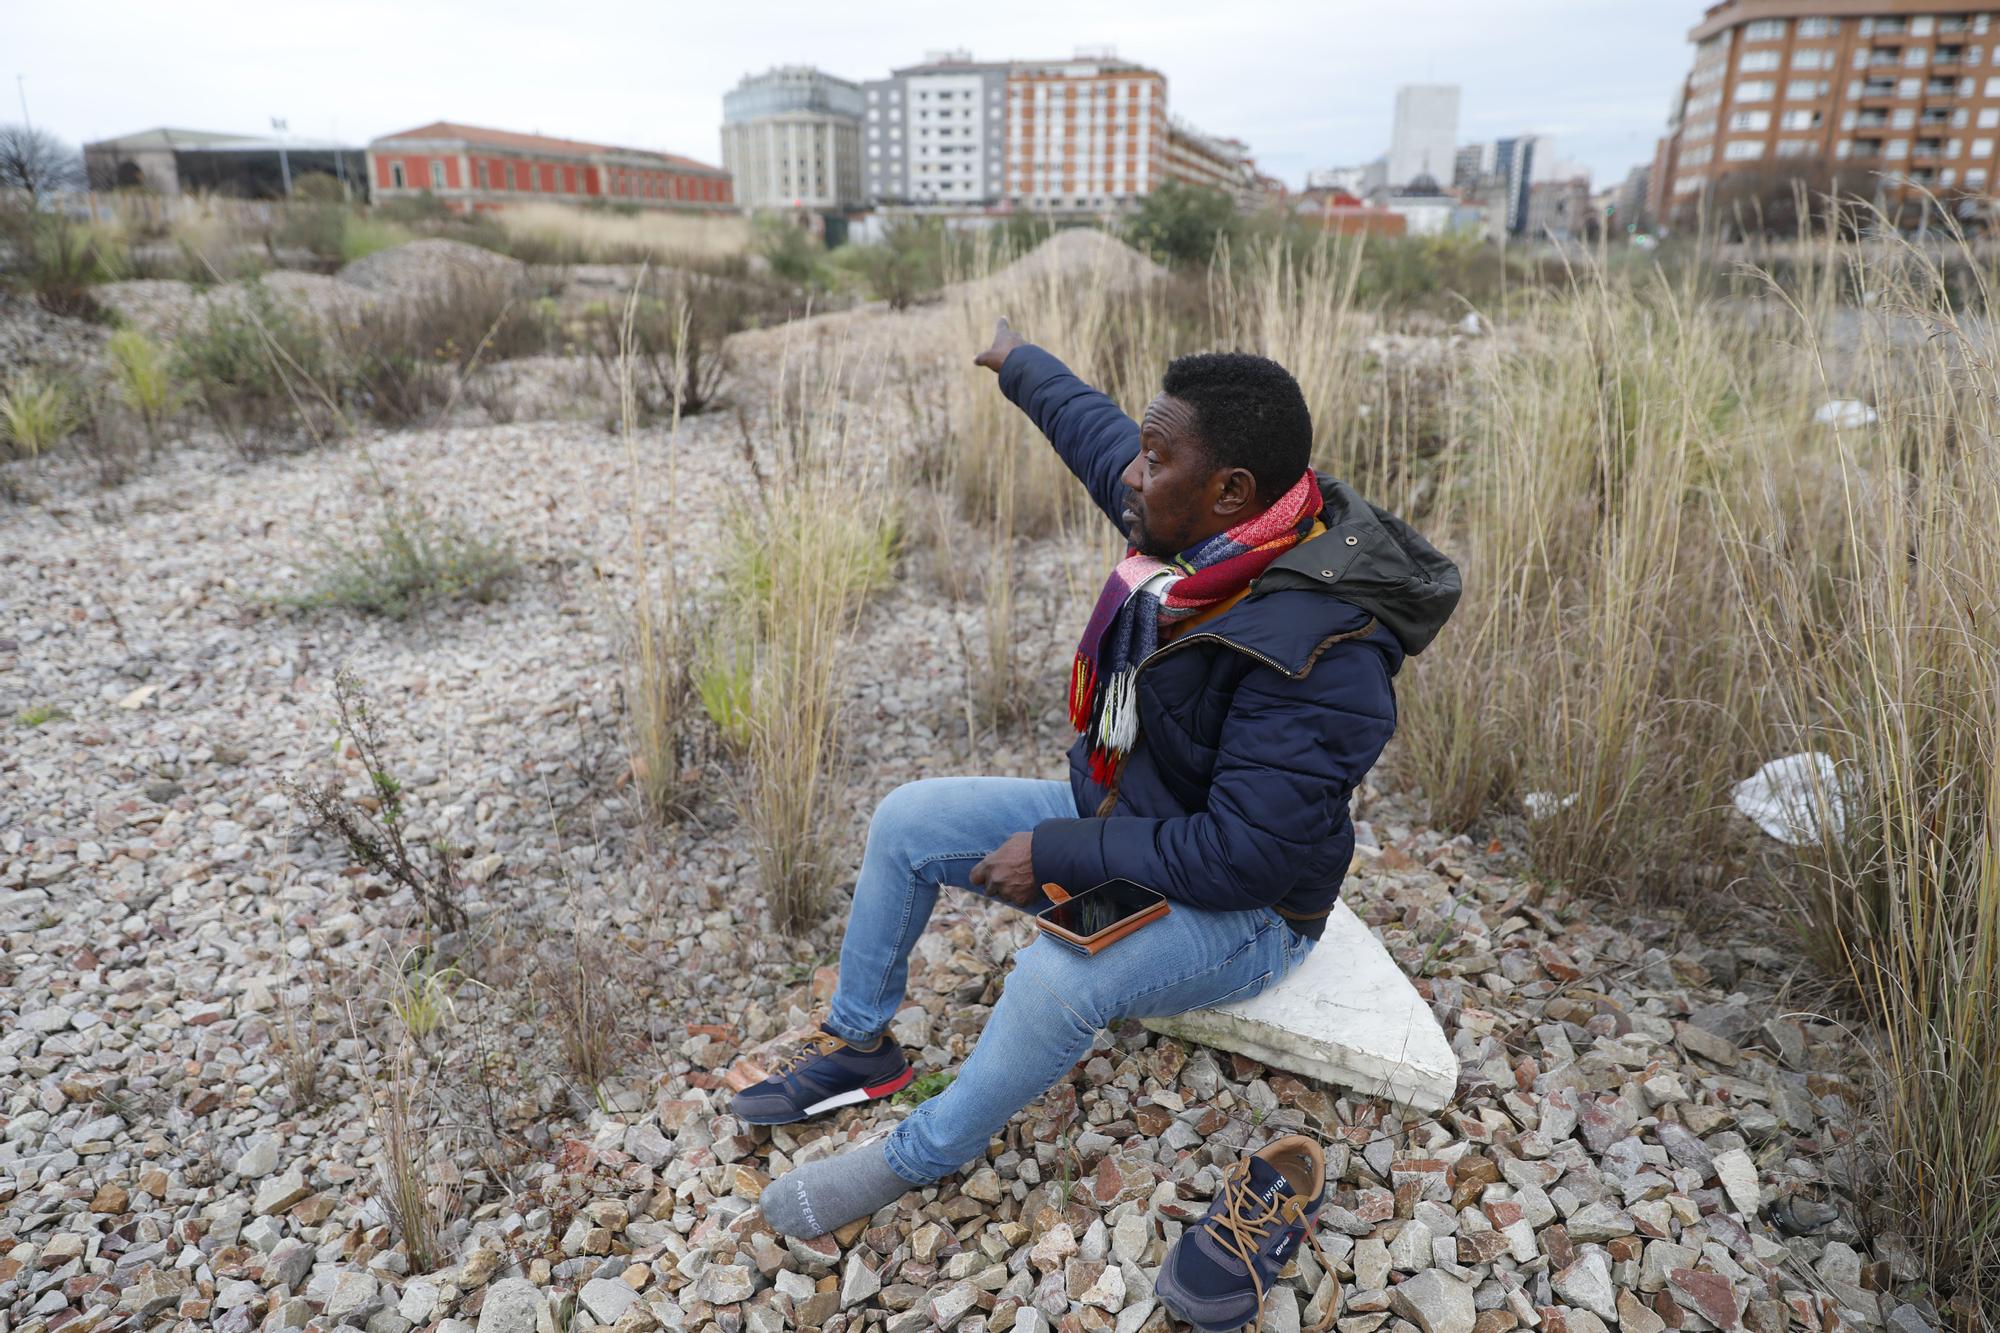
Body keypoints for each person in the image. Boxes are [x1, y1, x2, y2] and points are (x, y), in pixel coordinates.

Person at [737, 318, 1461, 1240]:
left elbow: (1244, 859)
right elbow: (1097, 435)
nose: (1132, 471)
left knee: (1052, 979)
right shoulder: (1204, 534)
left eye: (1155, 458)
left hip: (1253, 910)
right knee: (909, 820)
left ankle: (917, 1154)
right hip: (1138, 812)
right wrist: (1020, 363)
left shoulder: (1323, 657)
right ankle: (860, 1043)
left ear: (1228, 490)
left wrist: (1058, 848)